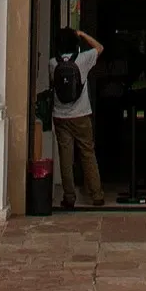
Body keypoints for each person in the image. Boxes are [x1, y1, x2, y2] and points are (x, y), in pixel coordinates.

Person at [50, 25, 106, 210]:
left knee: (66, 158)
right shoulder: (83, 59)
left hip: (60, 116)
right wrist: (82, 34)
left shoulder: (52, 63)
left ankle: (69, 197)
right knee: (87, 153)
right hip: (81, 115)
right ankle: (96, 194)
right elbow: (100, 48)